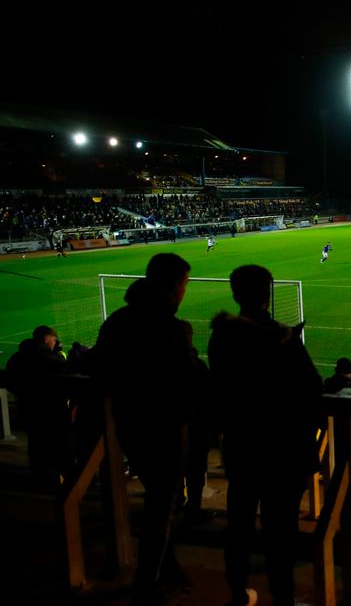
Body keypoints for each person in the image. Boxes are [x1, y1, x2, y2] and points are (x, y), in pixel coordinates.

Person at [91, 253, 206, 603]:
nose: (185, 291)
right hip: (165, 427)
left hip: (128, 423)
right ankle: (148, 582)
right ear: (173, 285)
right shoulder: (171, 329)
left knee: (159, 501)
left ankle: (164, 568)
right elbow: (193, 379)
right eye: (184, 283)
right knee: (161, 505)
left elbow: (101, 367)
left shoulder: (117, 321)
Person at [209, 264, 322, 606]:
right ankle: (283, 596)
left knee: (240, 523)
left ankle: (237, 592)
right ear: (268, 293)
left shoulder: (221, 337)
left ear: (234, 293)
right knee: (281, 529)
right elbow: (312, 387)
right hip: (281, 451)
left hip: (242, 446)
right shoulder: (281, 339)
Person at [5, 325, 75, 487]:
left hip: (27, 410)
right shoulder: (48, 358)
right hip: (52, 412)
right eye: (53, 340)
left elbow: (9, 381)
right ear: (46, 339)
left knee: (36, 445)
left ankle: (40, 478)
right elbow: (67, 377)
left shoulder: (17, 358)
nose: (55, 343)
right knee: (60, 445)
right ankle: (65, 481)